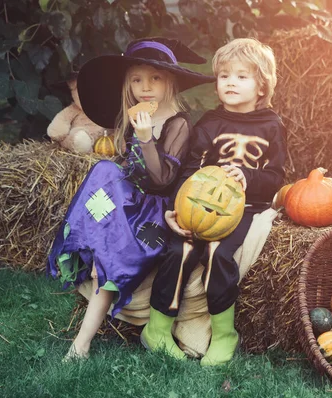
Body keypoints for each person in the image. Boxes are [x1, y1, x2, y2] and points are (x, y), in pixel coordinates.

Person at [47, 37, 215, 361]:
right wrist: (135, 135)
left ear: (170, 81)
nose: (145, 87)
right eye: (137, 79)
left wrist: (145, 138)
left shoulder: (178, 123)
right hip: (123, 202)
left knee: (109, 260)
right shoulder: (133, 116)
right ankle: (95, 247)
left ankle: (81, 342)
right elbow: (125, 175)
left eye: (154, 78)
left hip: (152, 213)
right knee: (106, 171)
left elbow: (162, 181)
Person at [142, 38, 287, 366]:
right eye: (224, 76)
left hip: (241, 209)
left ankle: (223, 336)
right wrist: (175, 210)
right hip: (197, 205)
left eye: (241, 76)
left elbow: (276, 177)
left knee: (220, 254)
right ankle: (157, 330)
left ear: (262, 85)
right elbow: (190, 169)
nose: (231, 82)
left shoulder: (271, 126)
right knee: (177, 250)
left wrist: (248, 178)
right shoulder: (209, 122)